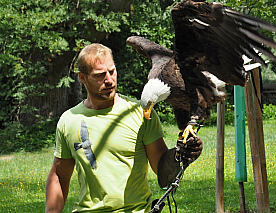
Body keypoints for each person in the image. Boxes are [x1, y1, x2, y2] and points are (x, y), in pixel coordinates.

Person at [45, 43, 202, 213]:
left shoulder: (140, 114)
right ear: (82, 78)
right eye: (100, 75)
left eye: (112, 71)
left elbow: (163, 173)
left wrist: (180, 154)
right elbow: (59, 176)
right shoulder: (69, 120)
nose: (109, 80)